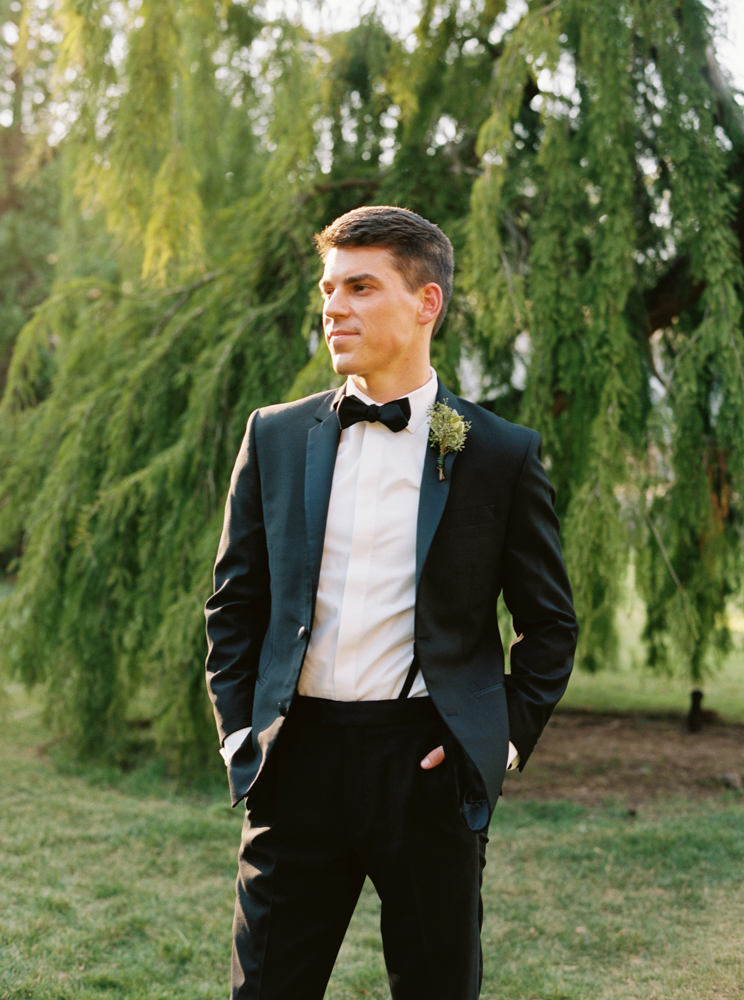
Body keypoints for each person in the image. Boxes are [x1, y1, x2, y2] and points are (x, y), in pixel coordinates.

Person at [205, 205, 578, 1000]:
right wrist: (241, 729)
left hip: (428, 768)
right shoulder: (272, 435)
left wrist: (496, 743)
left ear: (426, 303)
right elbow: (235, 603)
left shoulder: (499, 455)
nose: (333, 305)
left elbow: (549, 626)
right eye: (328, 287)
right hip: (295, 762)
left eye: (361, 286)